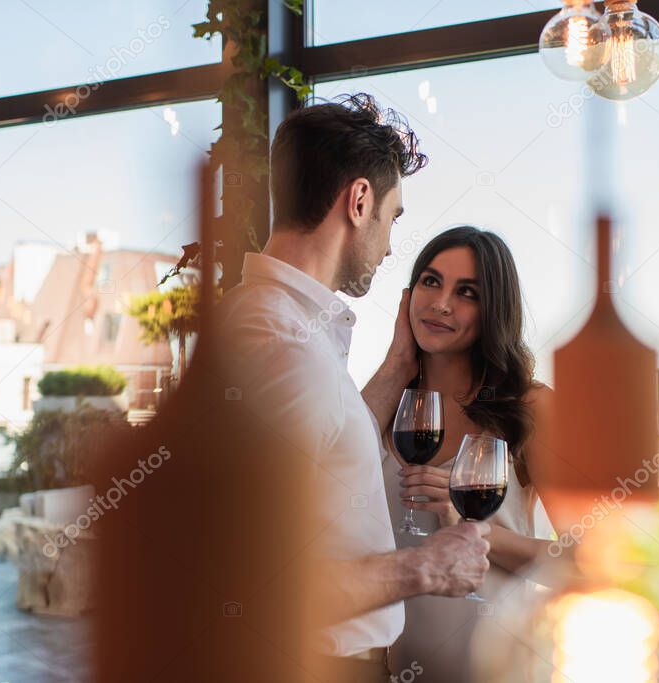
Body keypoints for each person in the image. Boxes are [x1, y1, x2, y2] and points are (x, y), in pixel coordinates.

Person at [216, 95, 492, 683]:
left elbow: (326, 451)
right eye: (393, 217)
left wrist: (396, 364)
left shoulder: (278, 325)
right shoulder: (279, 344)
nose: (392, 246)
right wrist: (426, 570)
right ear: (360, 200)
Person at [362, 226, 557, 681]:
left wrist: (475, 526)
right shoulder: (386, 405)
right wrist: (396, 360)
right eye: (431, 282)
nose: (441, 303)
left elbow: (585, 561)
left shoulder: (530, 408)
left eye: (466, 291)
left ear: (493, 310)